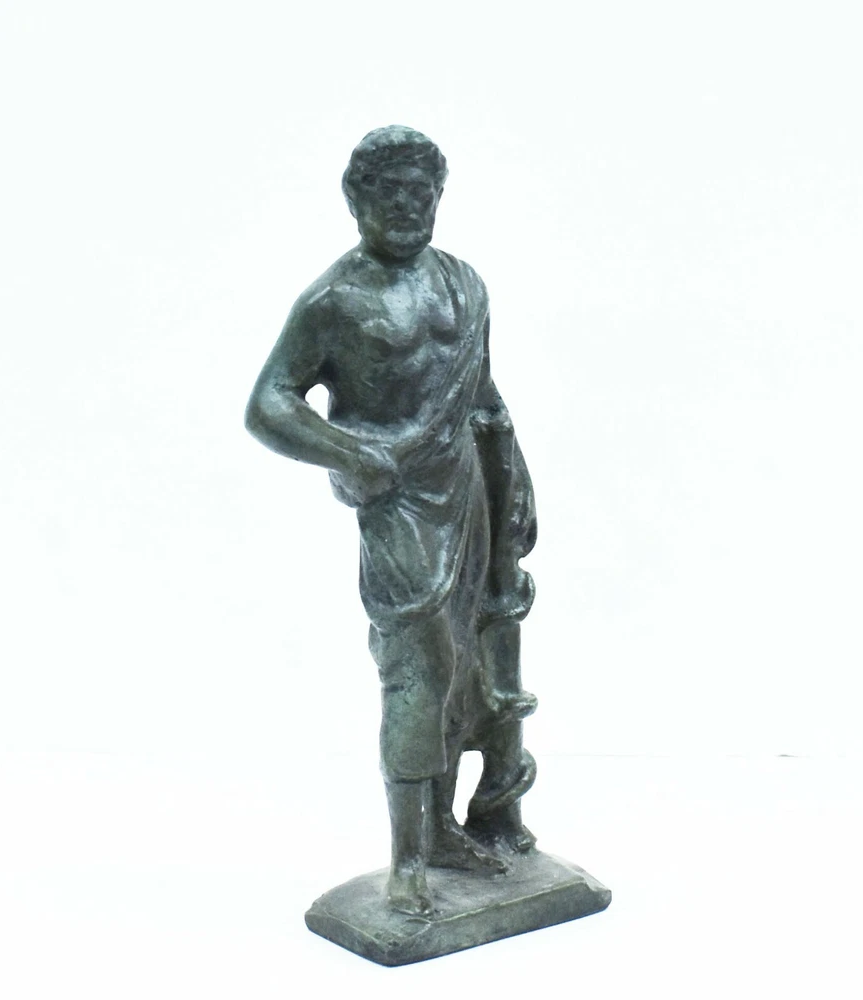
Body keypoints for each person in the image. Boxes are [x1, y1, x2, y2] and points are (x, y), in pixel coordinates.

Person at [245, 126, 536, 916]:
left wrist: (515, 482)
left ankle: (451, 829)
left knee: (471, 665)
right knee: (415, 670)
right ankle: (408, 861)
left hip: (469, 492)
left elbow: (483, 397)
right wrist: (351, 453)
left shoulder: (464, 283)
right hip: (401, 506)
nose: (408, 206)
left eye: (422, 192)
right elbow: (268, 403)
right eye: (390, 193)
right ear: (356, 200)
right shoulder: (335, 300)